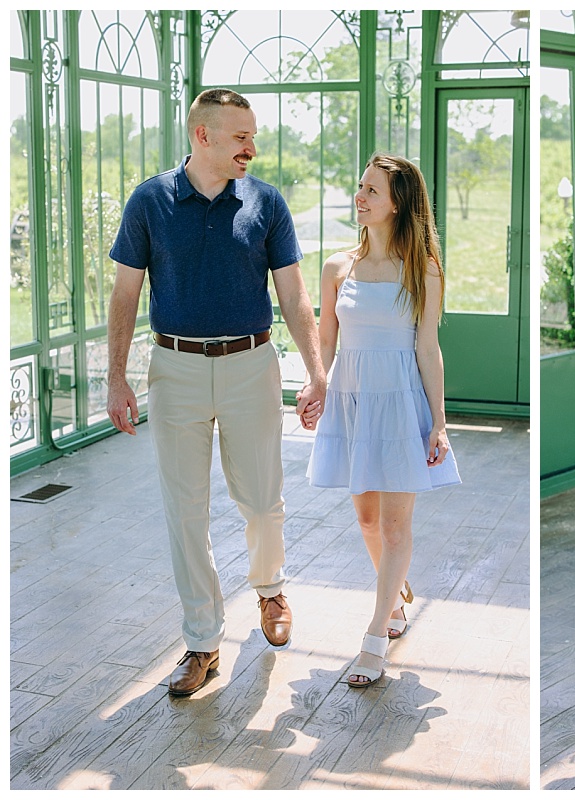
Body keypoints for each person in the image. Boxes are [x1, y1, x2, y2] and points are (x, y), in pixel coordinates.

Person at [105, 88, 325, 697]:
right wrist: (116, 375)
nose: (252, 149)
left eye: (252, 136)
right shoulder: (150, 201)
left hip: (250, 364)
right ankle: (202, 642)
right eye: (240, 138)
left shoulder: (267, 202)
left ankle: (270, 588)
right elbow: (125, 295)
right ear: (203, 136)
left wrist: (315, 370)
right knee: (184, 512)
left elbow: (294, 296)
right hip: (172, 368)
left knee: (261, 499)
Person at [305, 153, 460, 687]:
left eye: (372, 190)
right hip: (352, 398)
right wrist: (318, 383)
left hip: (400, 401)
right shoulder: (335, 267)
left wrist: (439, 422)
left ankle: (374, 641)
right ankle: (394, 597)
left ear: (398, 203)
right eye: (360, 186)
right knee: (367, 520)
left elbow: (428, 347)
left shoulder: (423, 269)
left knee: (395, 525)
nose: (361, 196)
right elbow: (326, 337)